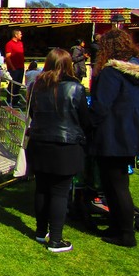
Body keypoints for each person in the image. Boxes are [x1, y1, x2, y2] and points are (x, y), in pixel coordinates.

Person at [88, 29, 139, 247]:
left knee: (116, 184)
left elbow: (101, 106)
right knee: (117, 183)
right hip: (135, 131)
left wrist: (87, 123)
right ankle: (118, 225)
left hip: (115, 133)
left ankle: (125, 233)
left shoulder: (112, 72)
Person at [26, 48, 91, 253]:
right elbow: (85, 119)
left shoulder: (36, 86)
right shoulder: (75, 88)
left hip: (40, 142)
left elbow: (32, 113)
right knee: (59, 193)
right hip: (65, 145)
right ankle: (55, 239)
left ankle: (40, 231)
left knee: (42, 188)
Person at [4, 29, 25, 107]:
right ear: (16, 35)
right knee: (13, 85)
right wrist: (12, 67)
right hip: (14, 68)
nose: (21, 35)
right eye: (20, 34)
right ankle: (9, 100)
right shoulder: (9, 44)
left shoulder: (21, 43)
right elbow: (8, 57)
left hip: (21, 67)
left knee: (18, 85)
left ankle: (16, 101)